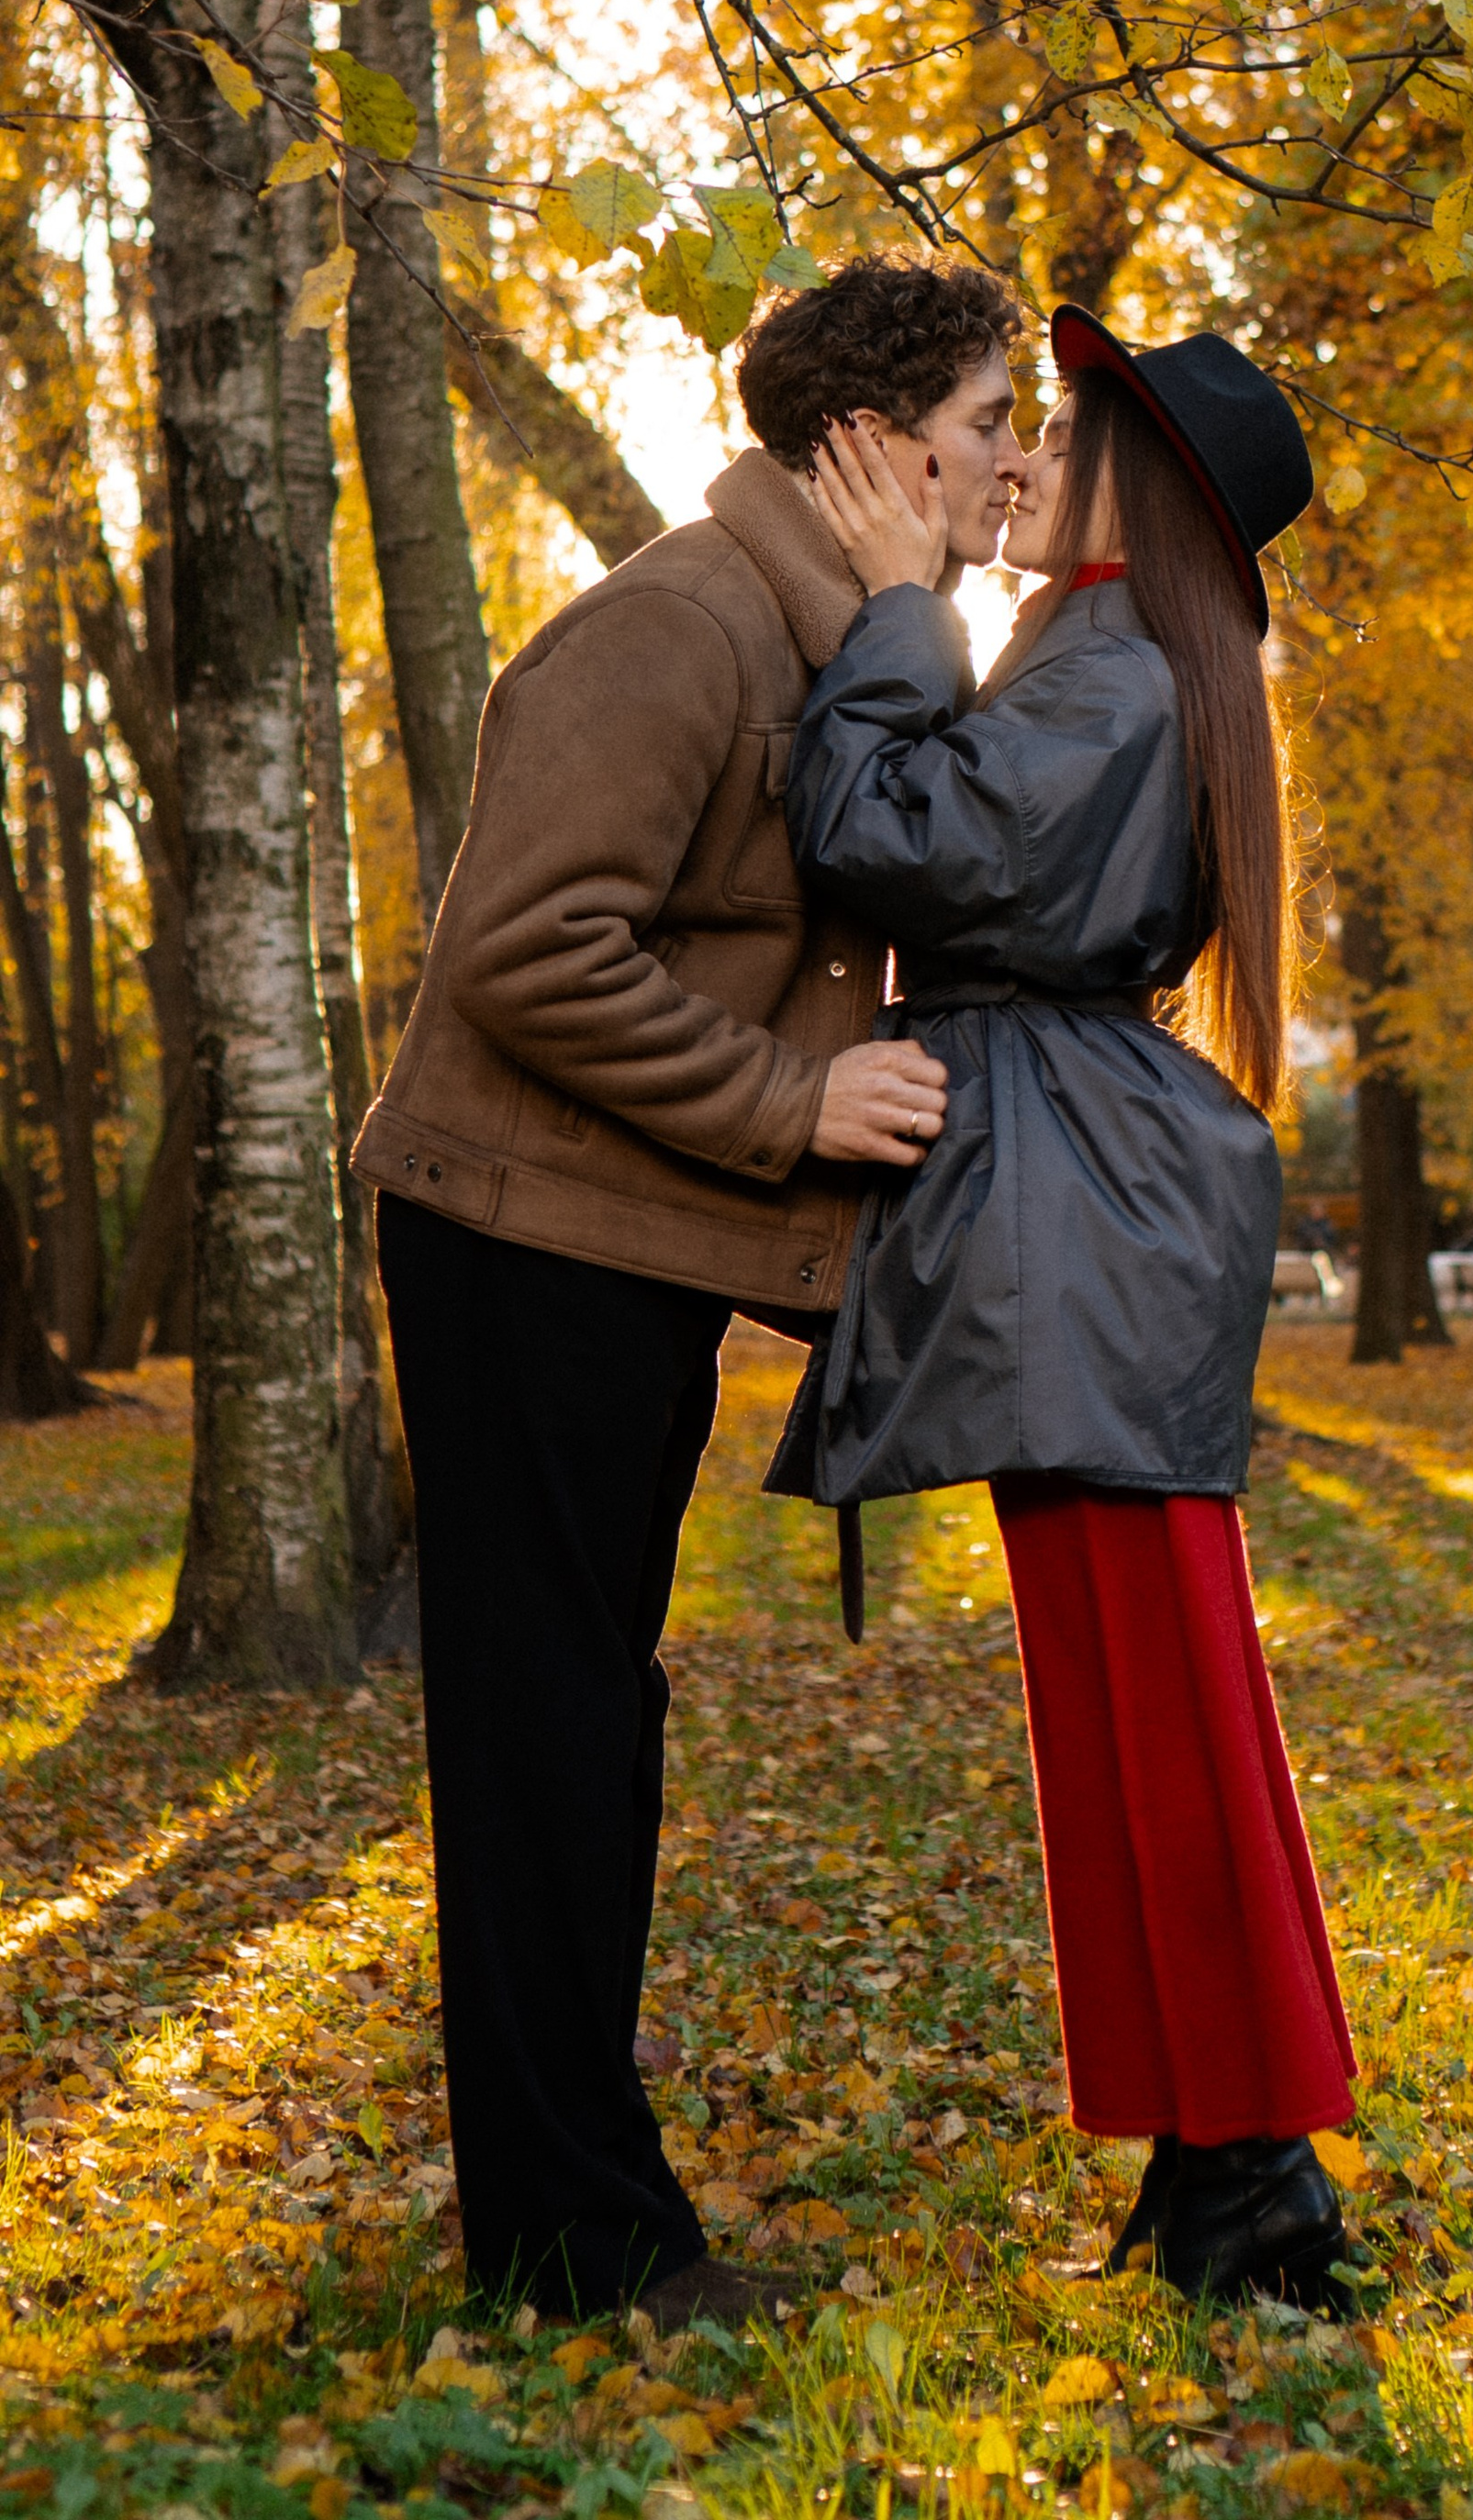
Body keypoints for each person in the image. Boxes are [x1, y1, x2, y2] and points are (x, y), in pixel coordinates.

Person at [353, 253, 1023, 2327]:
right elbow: (526, 953)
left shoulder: (830, 629)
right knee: (547, 1734)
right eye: (991, 426)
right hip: (511, 1241)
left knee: (587, 1726)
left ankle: (581, 2223)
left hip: (612, 1247)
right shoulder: (676, 625)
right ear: (876, 444)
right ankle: (573, 2254)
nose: (1014, 470)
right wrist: (791, 1106)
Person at [772, 305, 1358, 2308]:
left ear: (1130, 487)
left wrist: (894, 602)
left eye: (1057, 433)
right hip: (1071, 1214)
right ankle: (1213, 2160)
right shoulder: (1102, 656)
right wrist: (960, 595)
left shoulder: (1105, 672)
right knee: (1119, 1702)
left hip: (1078, 1230)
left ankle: (1263, 2178)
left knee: (1161, 1695)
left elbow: (888, 833)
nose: (1013, 458)